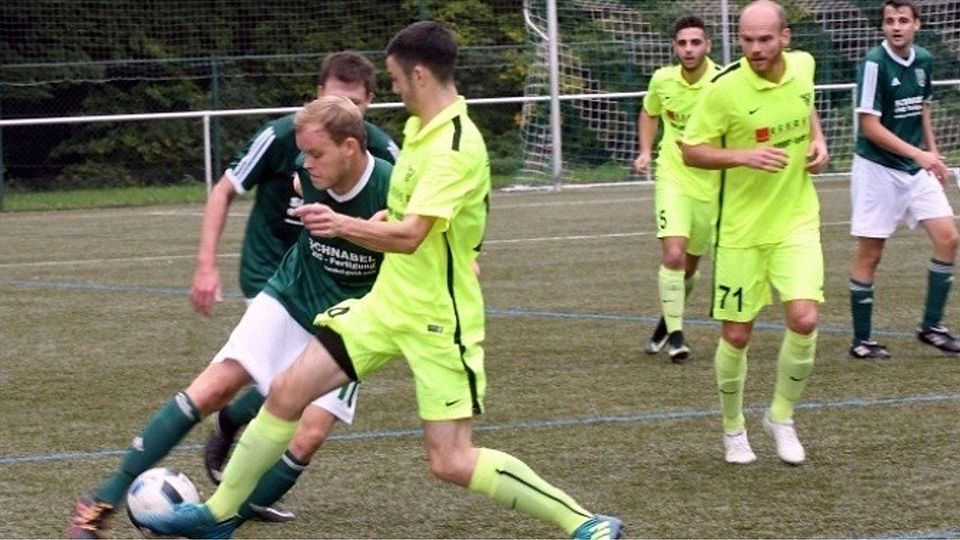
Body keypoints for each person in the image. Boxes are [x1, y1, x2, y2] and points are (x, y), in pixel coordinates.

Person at [140, 21, 623, 540]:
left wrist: (339, 223)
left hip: (438, 315)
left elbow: (412, 234)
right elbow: (397, 219)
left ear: (418, 73)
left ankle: (583, 523)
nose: (391, 89)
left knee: (451, 460)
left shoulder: (456, 147)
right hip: (386, 303)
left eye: (394, 78)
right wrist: (352, 222)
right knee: (286, 392)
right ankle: (218, 518)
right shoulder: (419, 131)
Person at [66, 96, 392, 539]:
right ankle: (101, 499)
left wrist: (374, 231)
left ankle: (222, 524)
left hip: (350, 319)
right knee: (216, 384)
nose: (305, 162)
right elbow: (268, 184)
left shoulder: (393, 184)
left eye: (316, 153)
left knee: (308, 435)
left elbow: (420, 240)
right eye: (304, 153)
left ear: (351, 147)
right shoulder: (305, 170)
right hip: (292, 294)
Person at [195, 51, 400, 521]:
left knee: (296, 388)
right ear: (317, 97)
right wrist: (206, 264)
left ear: (370, 101)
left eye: (354, 102)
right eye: (335, 99)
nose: (344, 110)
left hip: (345, 287)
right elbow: (225, 188)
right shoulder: (284, 135)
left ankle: (238, 475)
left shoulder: (386, 155)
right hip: (275, 270)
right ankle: (237, 493)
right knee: (286, 382)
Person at [679, 0, 829, 465]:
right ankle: (732, 428)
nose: (755, 48)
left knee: (804, 319)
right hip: (742, 230)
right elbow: (691, 150)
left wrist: (818, 141)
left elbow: (805, 107)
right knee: (738, 336)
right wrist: (743, 156)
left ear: (785, 38)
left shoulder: (804, 66)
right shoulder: (723, 90)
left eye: (765, 39)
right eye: (746, 40)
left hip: (796, 219)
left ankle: (780, 417)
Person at [847, 0, 960, 360]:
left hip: (915, 169)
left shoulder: (924, 60)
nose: (895, 26)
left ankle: (931, 327)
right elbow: (869, 126)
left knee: (948, 238)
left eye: (902, 20)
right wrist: (918, 154)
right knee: (871, 254)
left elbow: (922, 108)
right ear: (883, 26)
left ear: (917, 25)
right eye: (889, 21)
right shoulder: (874, 64)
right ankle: (861, 341)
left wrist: (933, 154)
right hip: (877, 170)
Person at [634, 15, 721, 363]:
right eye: (682, 43)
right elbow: (649, 111)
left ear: (707, 45)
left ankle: (664, 324)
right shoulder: (662, 80)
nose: (689, 49)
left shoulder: (722, 81)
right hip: (672, 175)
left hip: (710, 182)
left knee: (687, 267)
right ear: (674, 47)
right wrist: (644, 150)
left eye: (695, 42)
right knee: (672, 254)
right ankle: (678, 336)